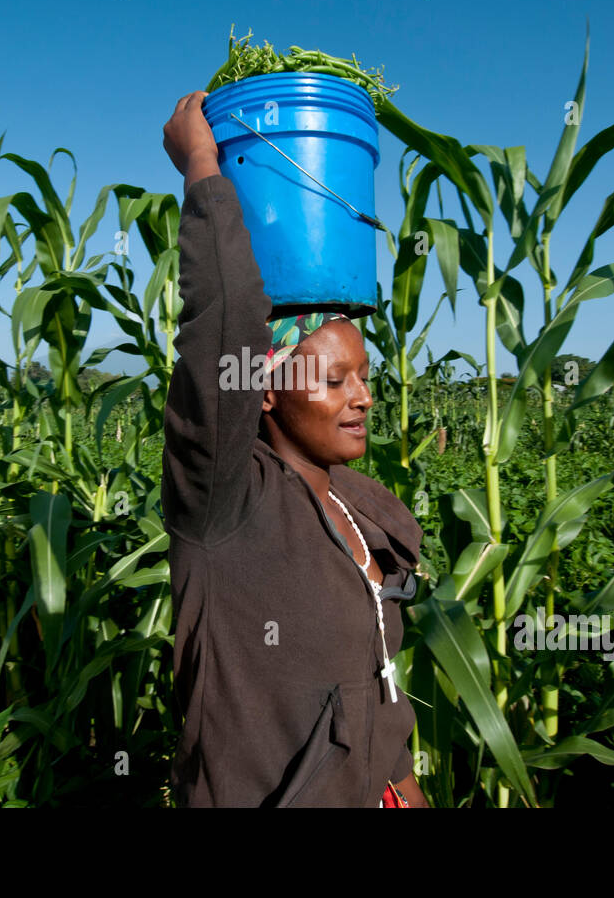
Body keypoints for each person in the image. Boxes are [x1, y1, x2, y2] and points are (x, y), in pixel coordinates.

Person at [160, 89, 430, 807]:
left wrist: (403, 786)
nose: (363, 396)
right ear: (265, 386)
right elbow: (226, 322)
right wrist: (202, 168)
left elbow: (376, 694)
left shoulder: (360, 511)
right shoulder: (222, 502)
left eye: (365, 376)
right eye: (335, 378)